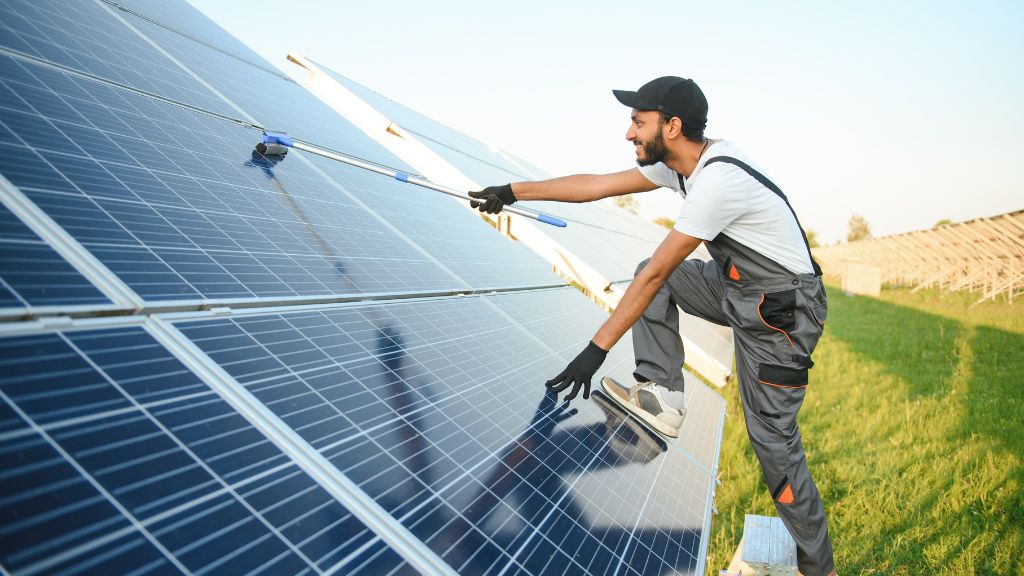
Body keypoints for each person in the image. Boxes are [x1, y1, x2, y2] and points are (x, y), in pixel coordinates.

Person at [468, 76, 837, 576]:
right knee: (649, 272)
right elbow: (596, 186)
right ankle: (663, 394)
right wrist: (512, 191)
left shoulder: (717, 182)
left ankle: (819, 569)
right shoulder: (681, 167)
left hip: (783, 319)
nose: (629, 134)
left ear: (673, 125)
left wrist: (595, 350)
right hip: (740, 291)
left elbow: (666, 269)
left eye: (638, 123)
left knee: (773, 444)